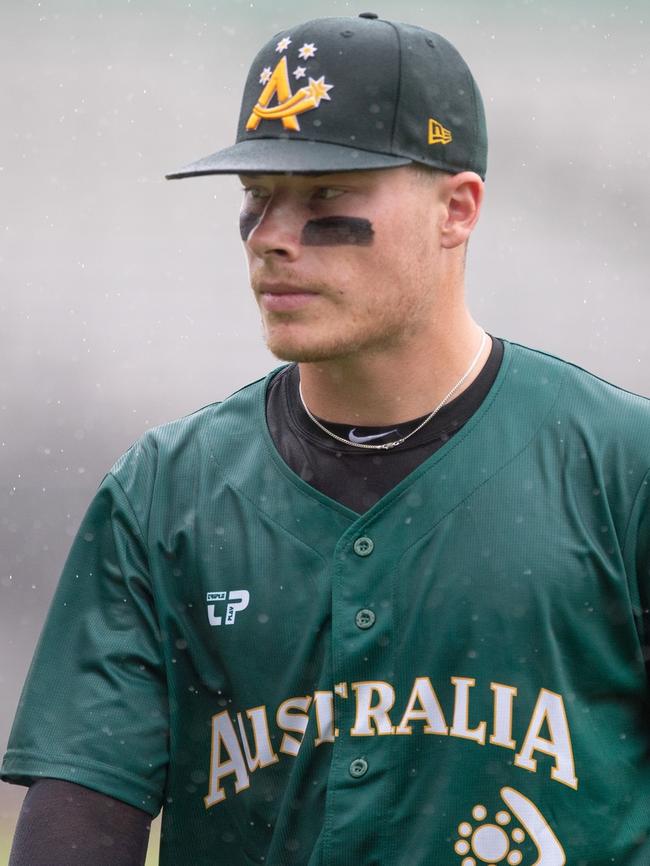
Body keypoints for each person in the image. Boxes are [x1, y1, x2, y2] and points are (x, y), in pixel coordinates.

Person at [2, 12, 649, 866]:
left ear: (457, 210)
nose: (272, 236)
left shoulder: (619, 468)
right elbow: (76, 832)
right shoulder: (166, 492)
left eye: (326, 197)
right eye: (257, 198)